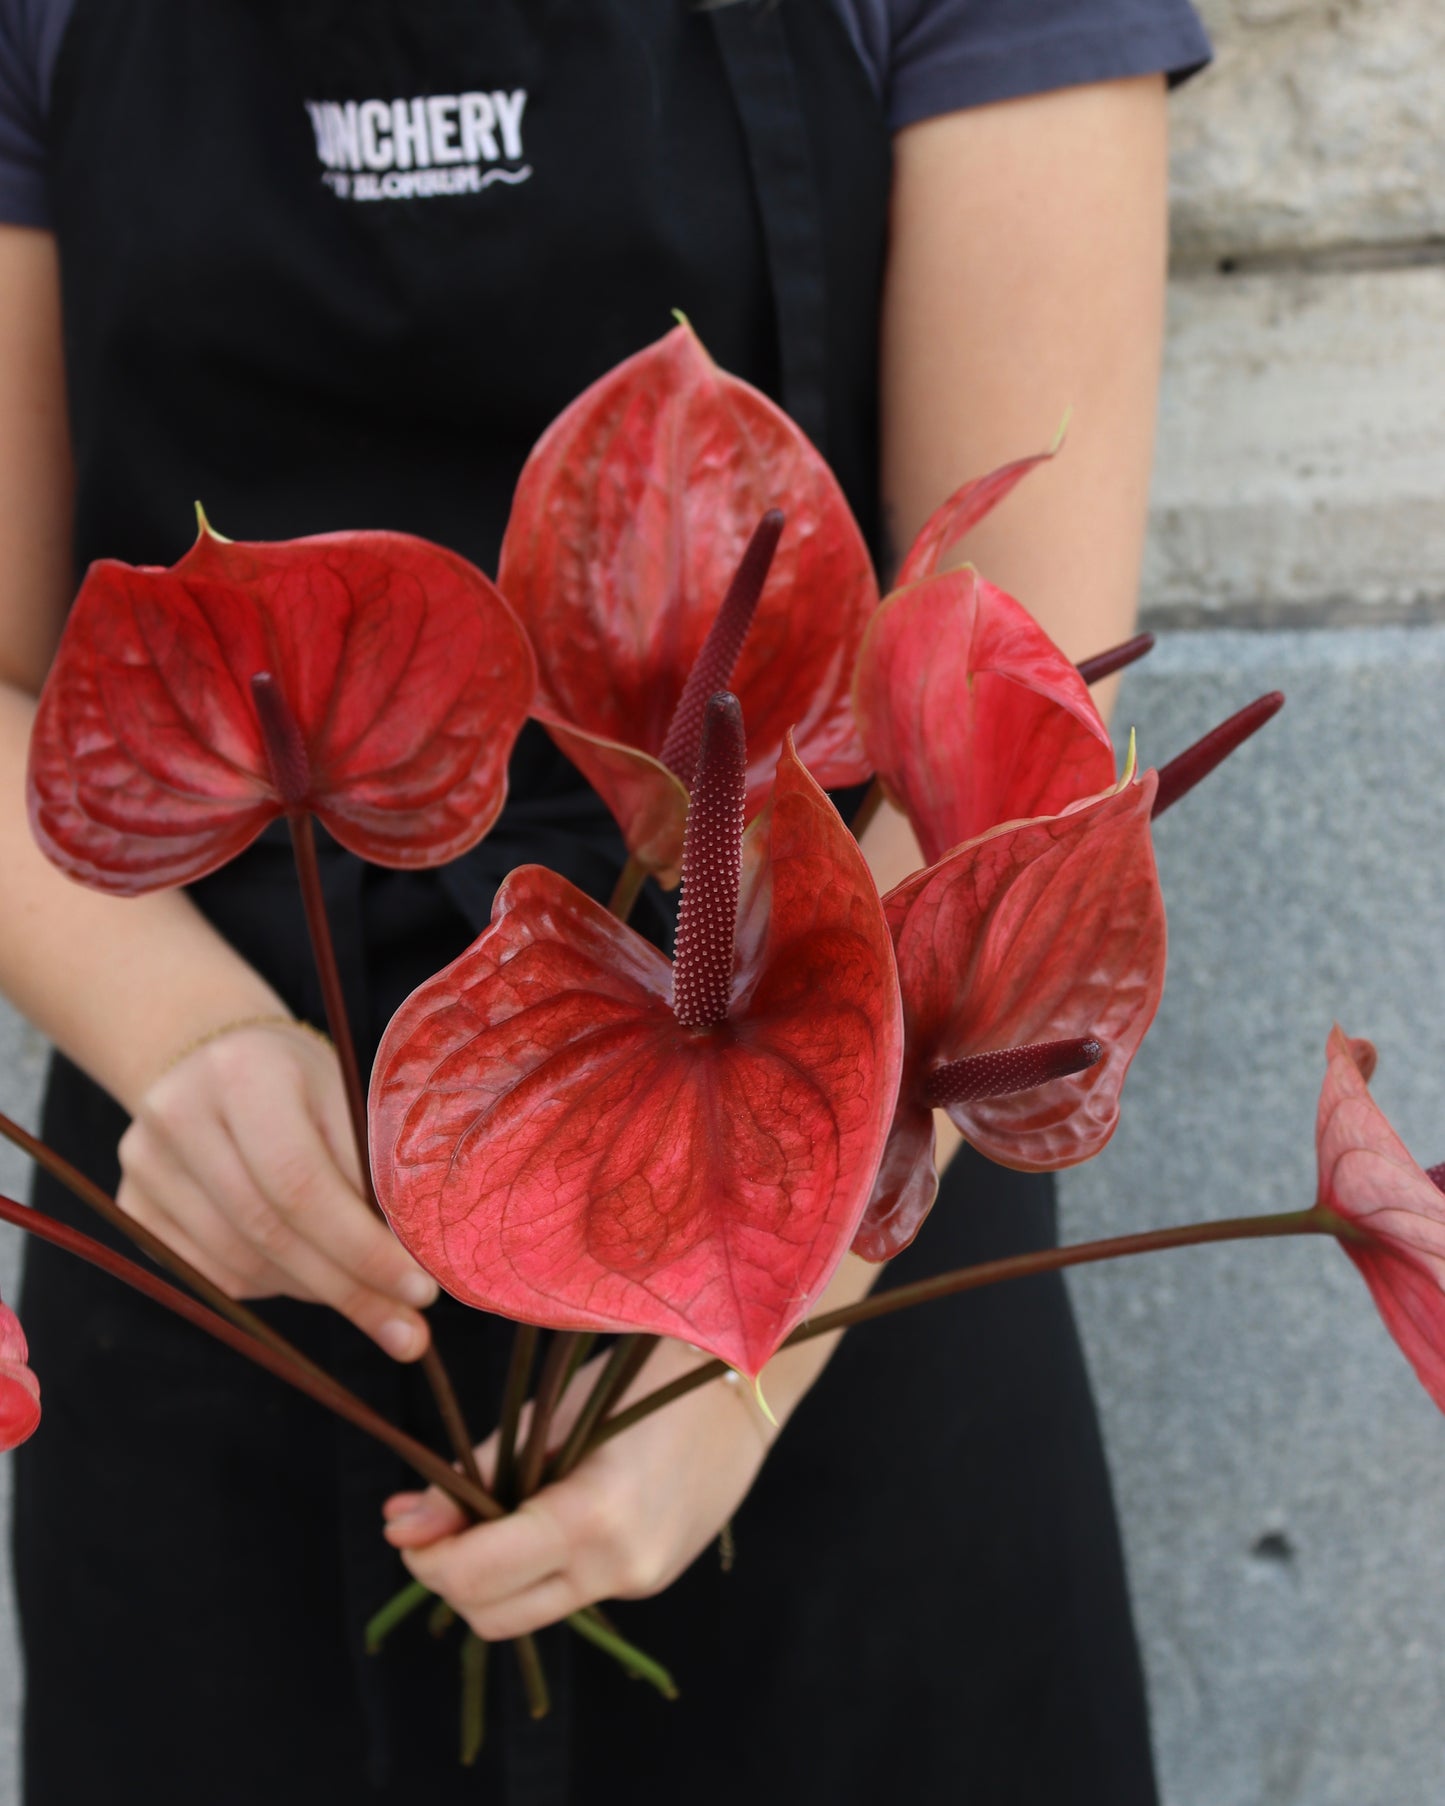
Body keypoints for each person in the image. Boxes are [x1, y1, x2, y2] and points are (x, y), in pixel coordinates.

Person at [0, 1, 1210, 1800]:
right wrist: (181, 1041)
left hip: (824, 1214)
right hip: (236, 1204)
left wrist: (740, 1365)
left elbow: (1016, 720)